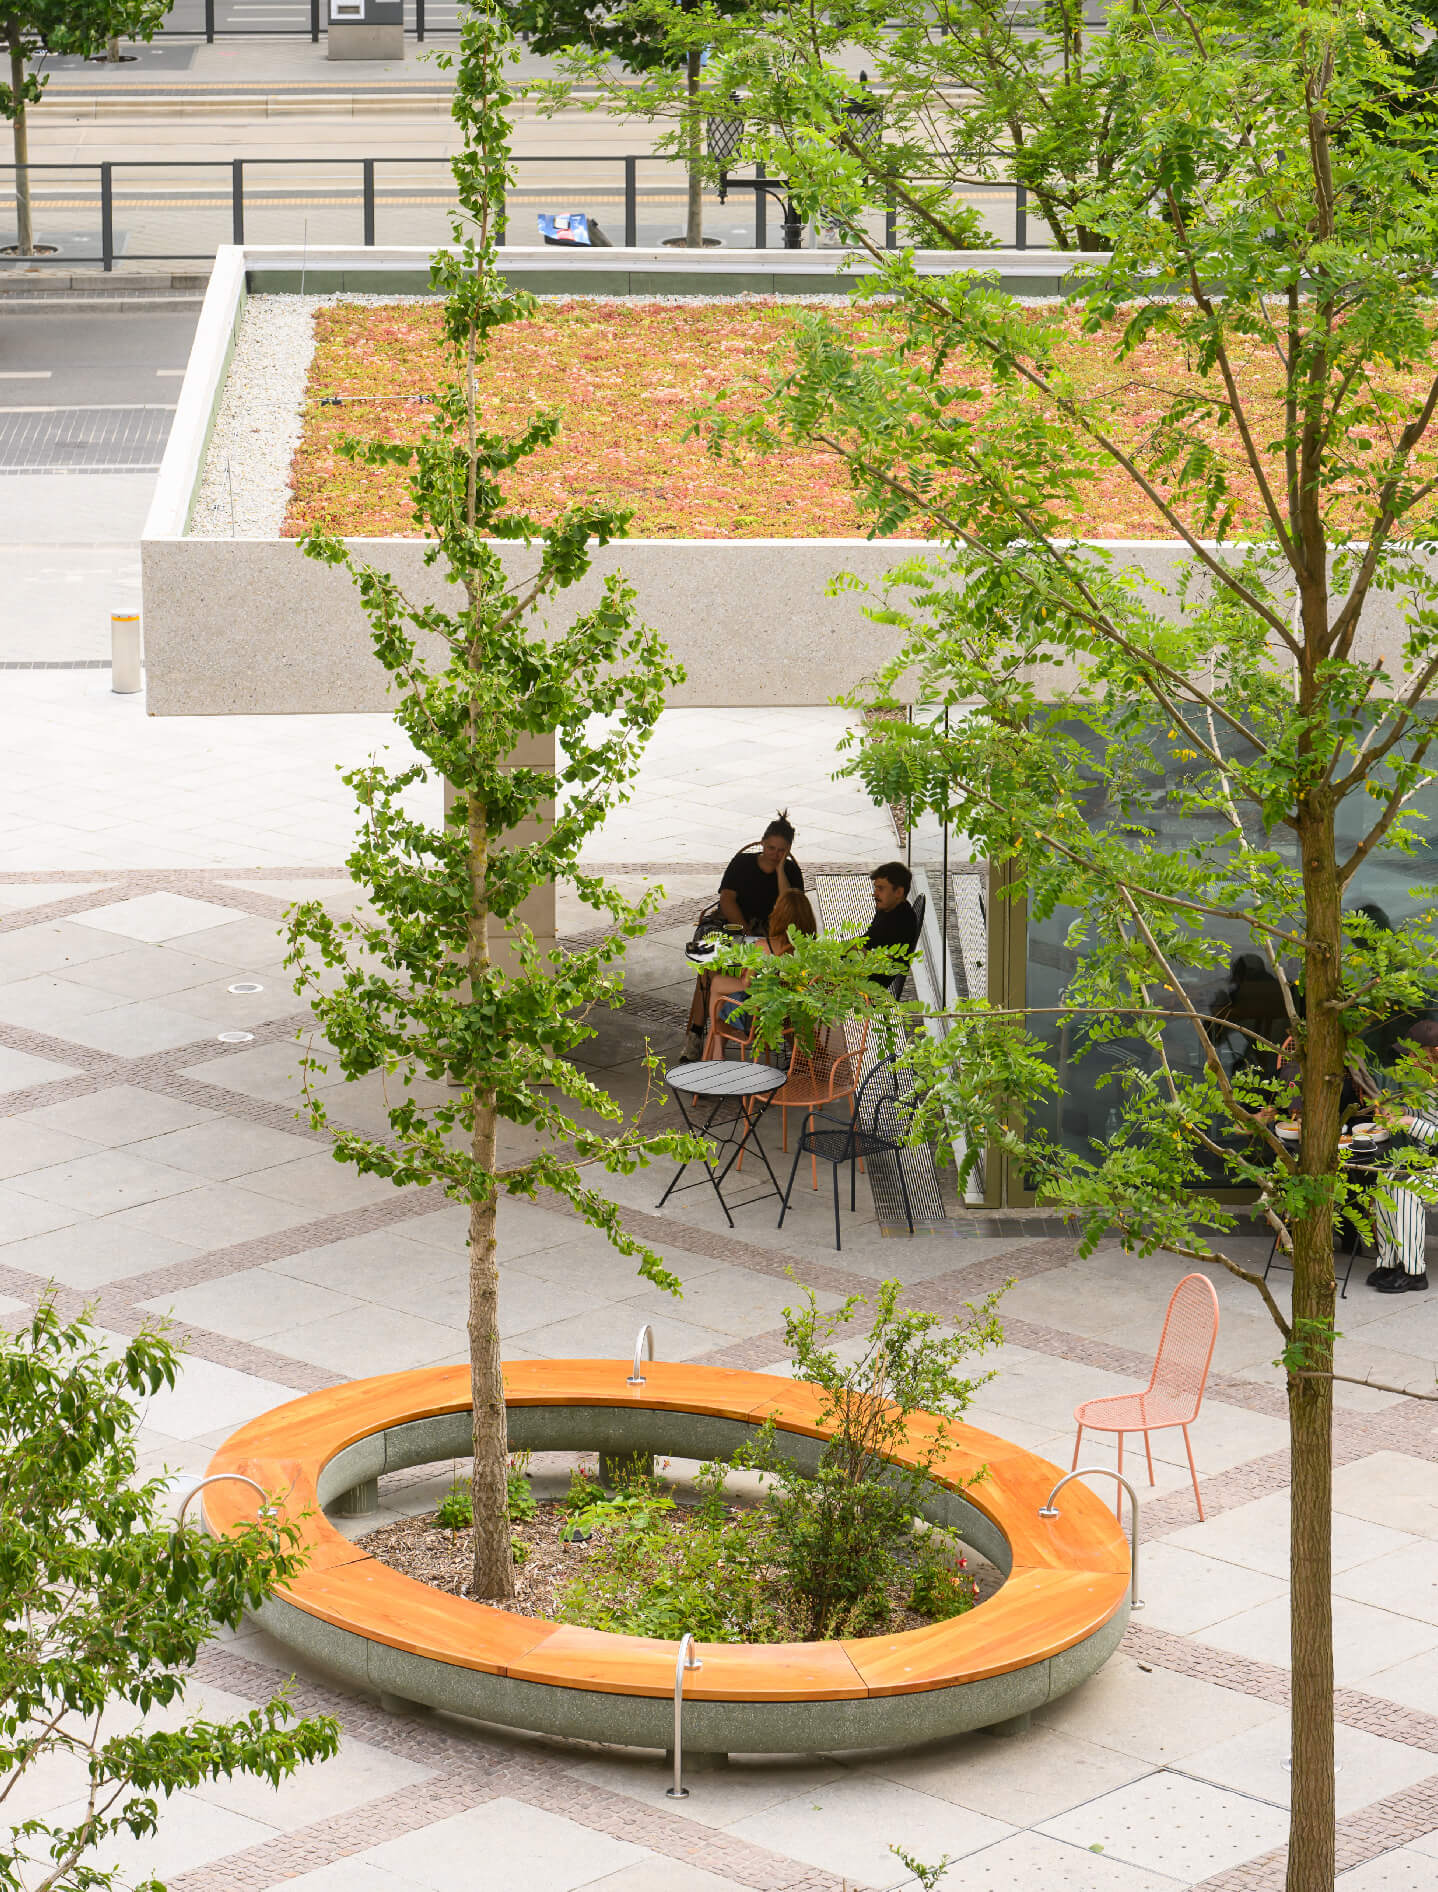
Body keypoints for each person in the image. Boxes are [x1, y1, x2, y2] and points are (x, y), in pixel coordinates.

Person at [682, 814, 806, 1061]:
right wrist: (745, 929)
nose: (775, 854)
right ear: (762, 842)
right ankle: (696, 1035)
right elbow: (727, 899)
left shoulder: (791, 871)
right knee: (706, 969)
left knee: (768, 968)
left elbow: (788, 908)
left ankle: (732, 1028)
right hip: (733, 925)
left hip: (770, 934)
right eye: (771, 848)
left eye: (781, 850)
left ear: (788, 850)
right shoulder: (742, 863)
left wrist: (781, 871)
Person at [1370, 1019, 1438, 1294]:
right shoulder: (1426, 1084)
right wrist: (1399, 1114)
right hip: (1427, 1163)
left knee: (1405, 1189)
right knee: (1385, 1179)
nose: (1408, 1060)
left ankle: (1414, 1272)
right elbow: (1423, 1116)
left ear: (1432, 1053)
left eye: (1413, 1054)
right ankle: (1389, 1263)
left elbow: (1423, 1126)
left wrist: (1412, 1123)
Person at [862, 860, 920, 990]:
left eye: (880, 889)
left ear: (898, 892)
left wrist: (857, 951)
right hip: (860, 972)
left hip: (867, 986)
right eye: (875, 888)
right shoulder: (886, 909)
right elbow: (868, 939)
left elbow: (884, 964)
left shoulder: (903, 921)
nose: (875, 894)